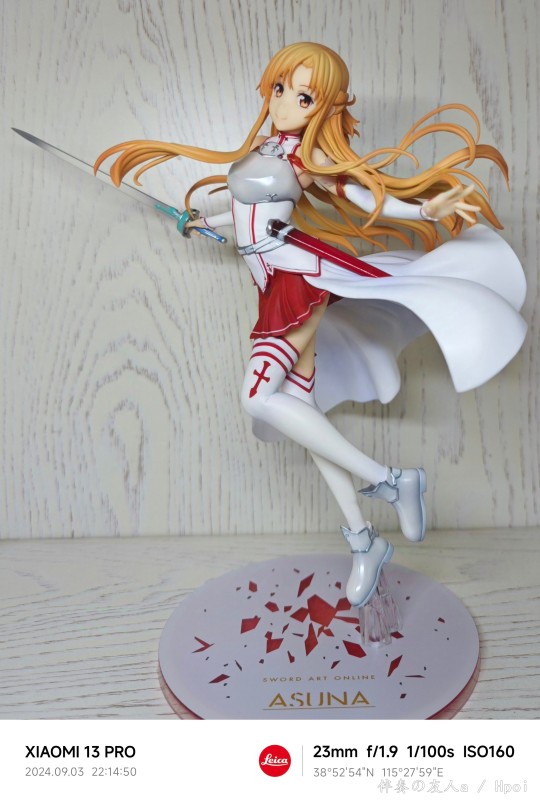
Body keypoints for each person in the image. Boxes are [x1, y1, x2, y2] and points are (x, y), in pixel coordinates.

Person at [95, 42, 526, 608]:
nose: (284, 104)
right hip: (270, 282)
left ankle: (391, 481)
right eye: (280, 89)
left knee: (257, 398)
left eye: (303, 97)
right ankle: (363, 540)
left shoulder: (305, 159)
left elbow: (356, 194)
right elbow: (242, 208)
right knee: (302, 410)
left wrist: (423, 211)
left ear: (324, 107)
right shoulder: (265, 149)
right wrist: (198, 218)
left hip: (296, 276)